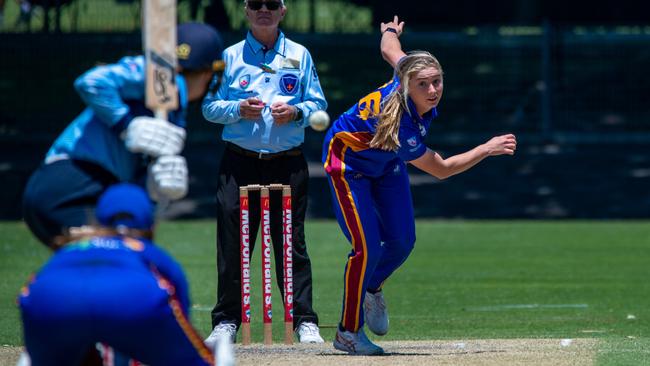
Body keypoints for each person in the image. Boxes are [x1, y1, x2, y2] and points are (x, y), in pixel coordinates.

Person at [322, 16, 517, 355]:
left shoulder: (407, 70)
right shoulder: (402, 125)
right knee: (366, 247)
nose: (432, 90)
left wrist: (390, 30)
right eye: (424, 85)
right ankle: (347, 333)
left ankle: (372, 288)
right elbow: (441, 169)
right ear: (407, 85)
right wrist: (486, 149)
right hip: (348, 165)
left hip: (384, 164)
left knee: (402, 241)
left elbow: (389, 49)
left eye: (437, 82)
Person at [22, 22, 225, 248]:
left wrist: (156, 191)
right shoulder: (155, 73)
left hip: (86, 189)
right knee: (113, 263)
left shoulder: (174, 109)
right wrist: (126, 125)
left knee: (113, 263)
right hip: (73, 181)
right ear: (209, 73)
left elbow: (140, 192)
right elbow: (90, 82)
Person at [202, 0, 327, 345]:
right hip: (238, 162)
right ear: (245, 10)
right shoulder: (228, 57)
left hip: (287, 162)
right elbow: (209, 107)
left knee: (290, 243)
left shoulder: (300, 55)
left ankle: (304, 320)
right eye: (256, 4)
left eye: (272, 4)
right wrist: (238, 109)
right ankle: (226, 321)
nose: (264, 10)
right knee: (233, 243)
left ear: (283, 10)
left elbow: (318, 104)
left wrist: (297, 110)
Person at [18, 183, 215, 365]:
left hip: (48, 297)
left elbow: (41, 279)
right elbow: (179, 307)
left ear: (99, 221)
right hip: (131, 299)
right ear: (151, 225)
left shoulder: (73, 246)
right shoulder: (145, 250)